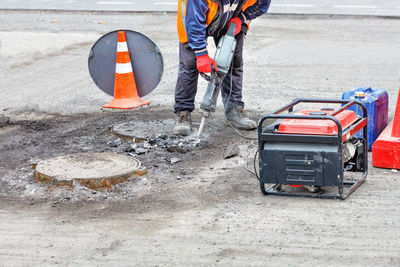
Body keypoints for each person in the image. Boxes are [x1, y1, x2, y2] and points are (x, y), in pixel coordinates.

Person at [173, 0, 271, 136]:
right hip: (192, 19)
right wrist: (201, 54)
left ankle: (233, 110)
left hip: (231, 17)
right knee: (189, 65)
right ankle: (183, 113)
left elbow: (262, 4)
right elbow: (194, 21)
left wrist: (242, 18)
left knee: (233, 62)